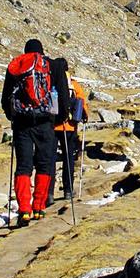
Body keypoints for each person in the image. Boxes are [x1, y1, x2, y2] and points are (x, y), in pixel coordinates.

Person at [2, 40, 69, 226]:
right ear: (42, 50)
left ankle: (24, 209)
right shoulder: (53, 66)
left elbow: (6, 96)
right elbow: (63, 95)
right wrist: (60, 117)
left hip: (22, 124)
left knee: (23, 166)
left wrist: (12, 116)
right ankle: (38, 206)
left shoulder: (16, 65)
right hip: (45, 122)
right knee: (45, 163)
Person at [54, 62, 89, 201]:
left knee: (50, 159)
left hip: (53, 126)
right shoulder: (73, 84)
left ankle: (48, 194)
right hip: (69, 126)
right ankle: (68, 190)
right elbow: (82, 101)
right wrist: (85, 116)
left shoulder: (52, 82)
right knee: (68, 157)